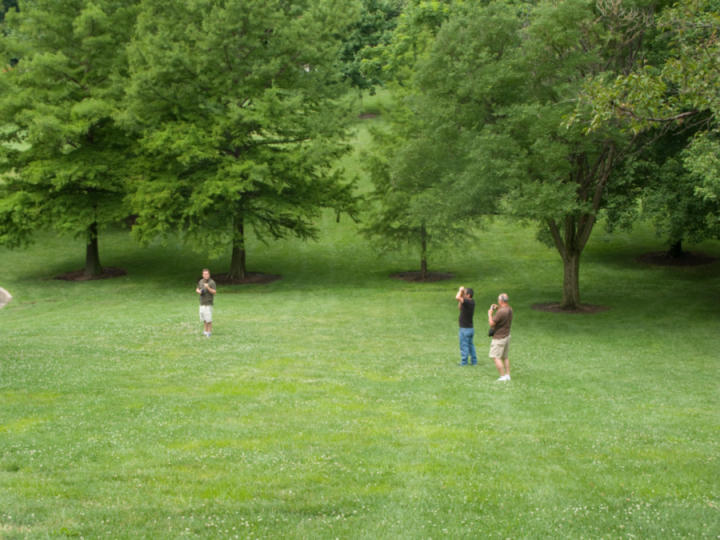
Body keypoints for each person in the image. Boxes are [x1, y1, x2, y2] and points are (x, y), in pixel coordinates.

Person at [488, 293, 513, 381]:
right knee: (505, 357)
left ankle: (502, 377)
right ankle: (507, 375)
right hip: (506, 335)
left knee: (495, 356)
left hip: (499, 338)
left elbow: (491, 324)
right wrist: (498, 308)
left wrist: (490, 314)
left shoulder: (501, 312)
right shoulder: (509, 309)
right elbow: (502, 314)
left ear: (501, 301)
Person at [455, 286, 477, 366]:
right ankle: (474, 361)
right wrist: (461, 296)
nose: (463, 295)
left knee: (463, 345)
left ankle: (464, 362)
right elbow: (460, 307)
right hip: (470, 329)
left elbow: (457, 297)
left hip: (465, 329)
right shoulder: (471, 302)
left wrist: (460, 290)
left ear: (468, 295)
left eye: (464, 293)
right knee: (471, 346)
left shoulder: (468, 301)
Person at [196, 268, 217, 337]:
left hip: (208, 303)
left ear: (209, 274)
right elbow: (197, 289)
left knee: (209, 319)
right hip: (202, 302)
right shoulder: (201, 281)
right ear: (202, 275)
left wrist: (208, 287)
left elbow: (214, 292)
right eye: (205, 274)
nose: (206, 275)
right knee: (204, 318)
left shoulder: (212, 282)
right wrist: (198, 291)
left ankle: (209, 332)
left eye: (207, 274)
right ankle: (205, 331)